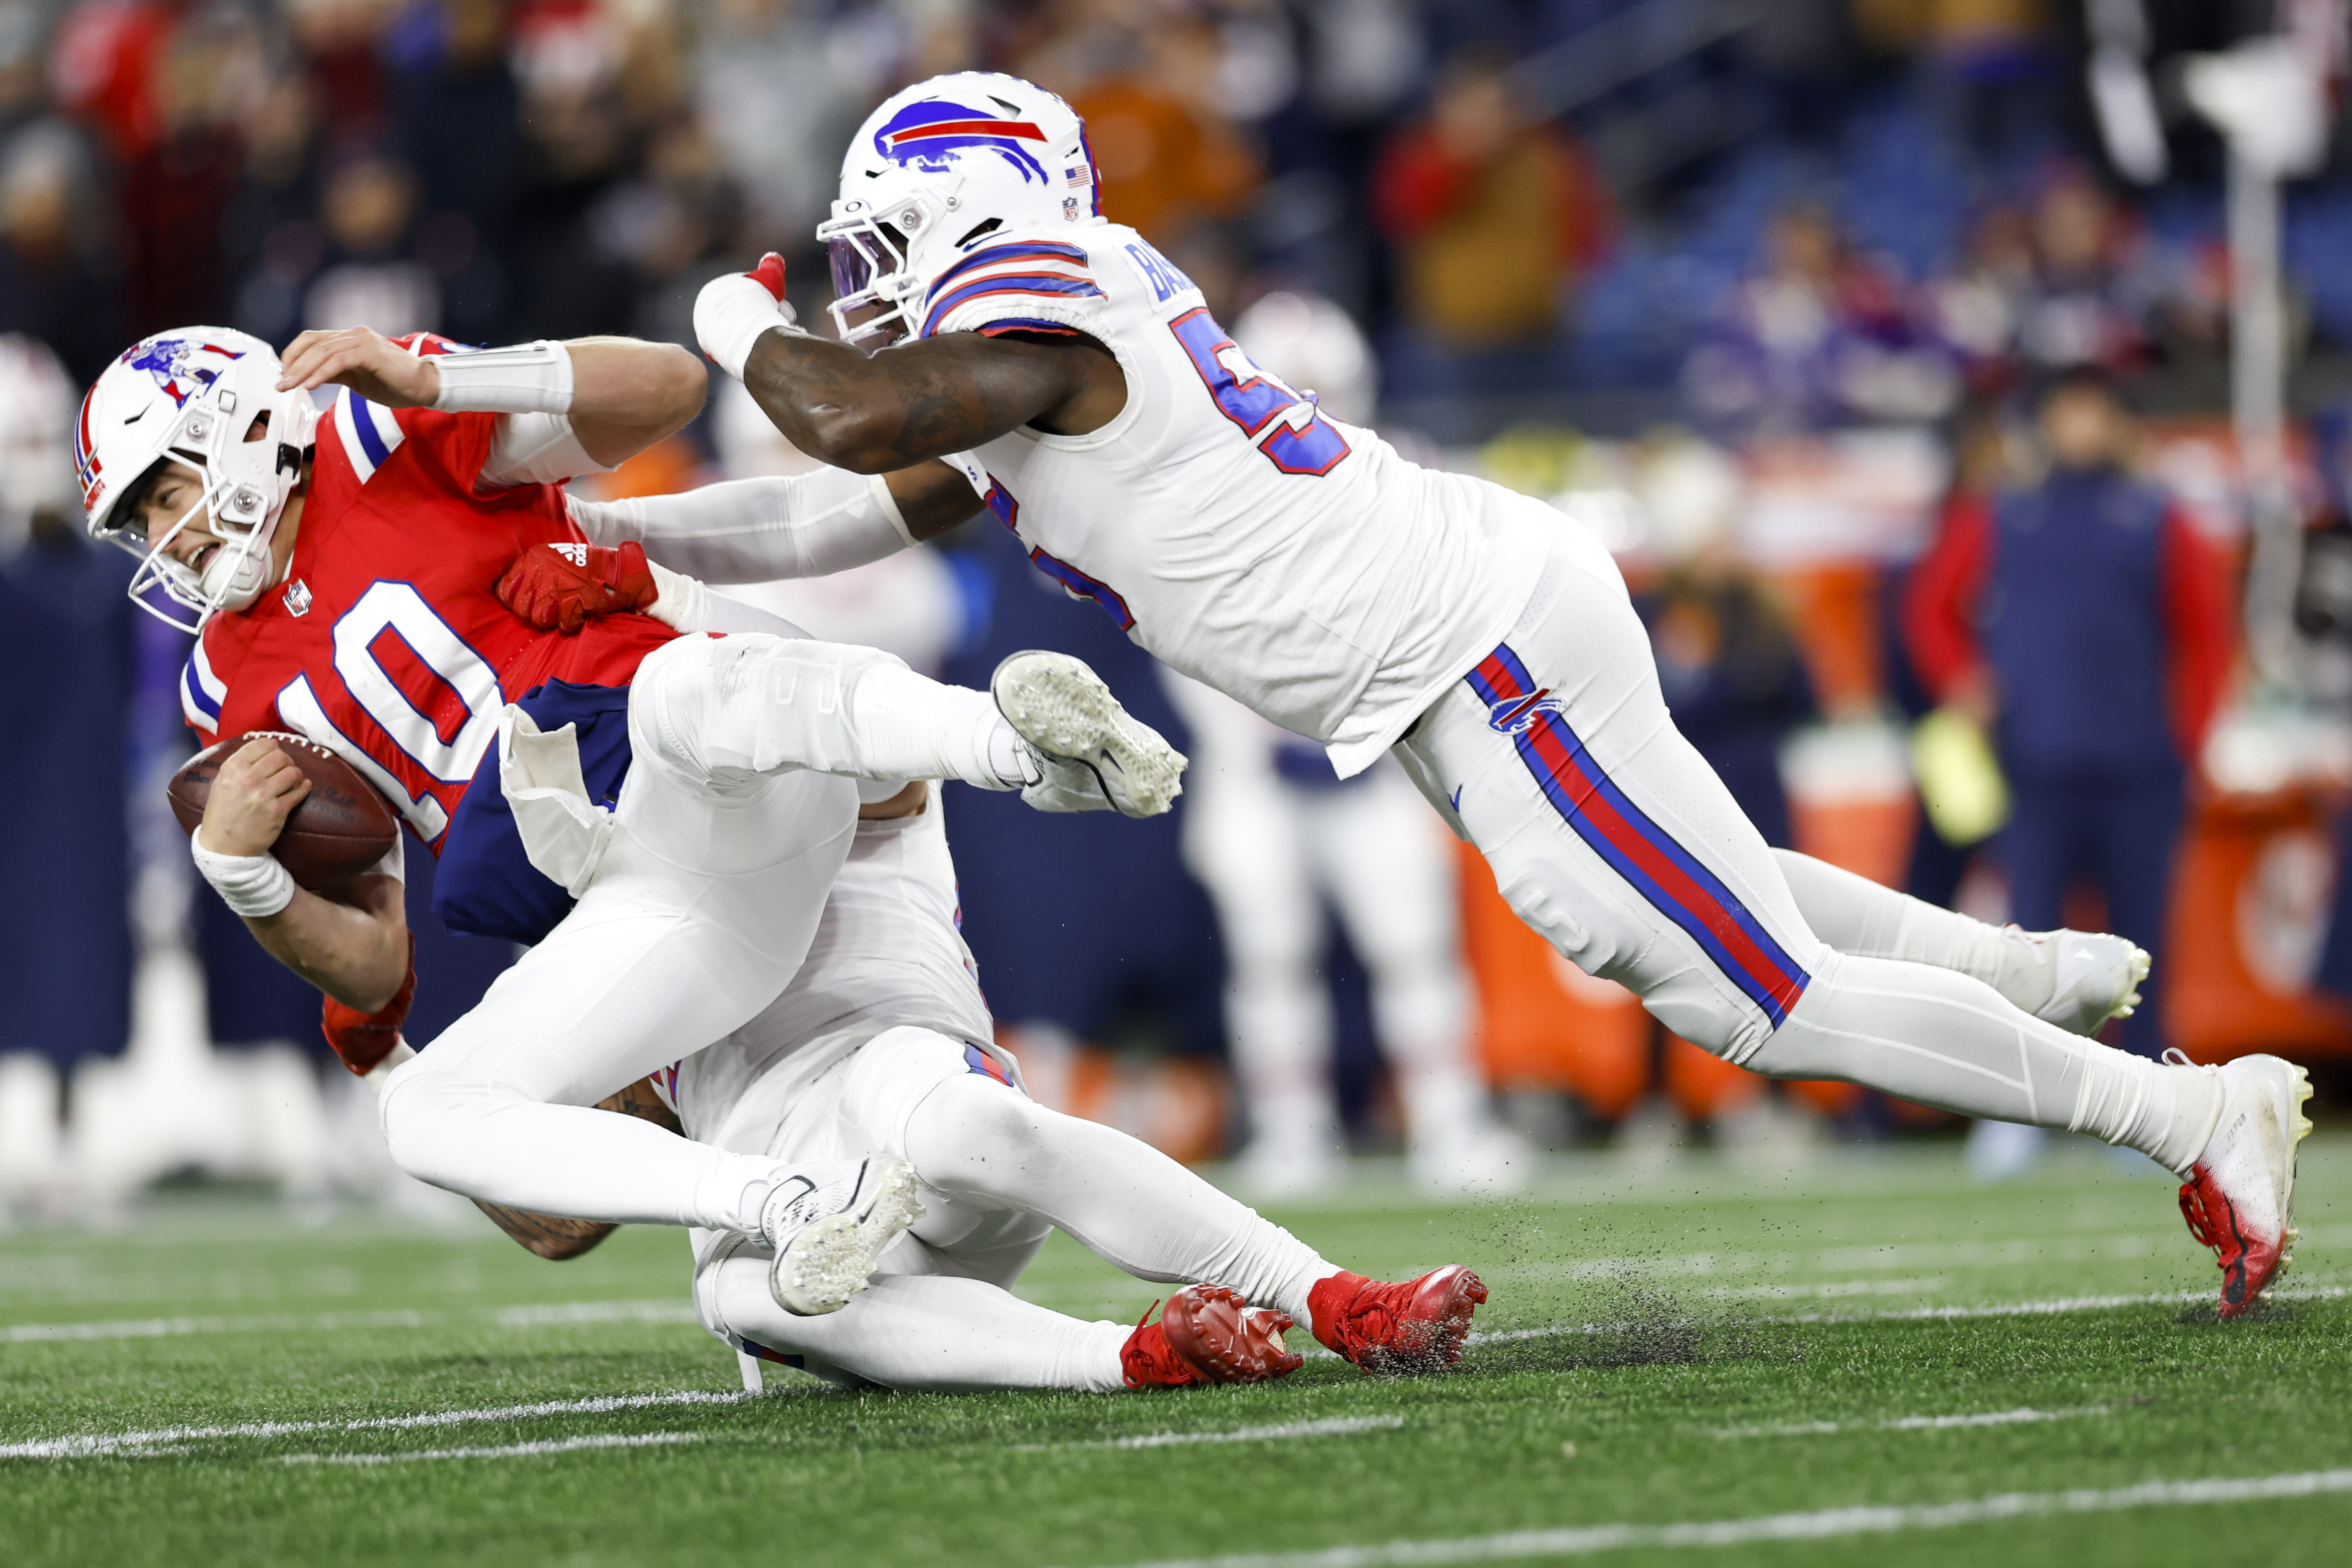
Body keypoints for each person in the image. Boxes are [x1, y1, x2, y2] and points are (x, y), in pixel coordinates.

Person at [626, 71, 2306, 1319]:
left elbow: (839, 422)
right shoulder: (1015, 365)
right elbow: (822, 506)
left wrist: (722, 312)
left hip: (1474, 644)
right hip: (1456, 642)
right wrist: (607, 535)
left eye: (885, 238)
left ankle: (2182, 1108)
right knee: (1702, 891)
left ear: (968, 205)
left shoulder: (1042, 308)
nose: (864, 281)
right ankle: (2012, 965)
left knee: (1743, 994)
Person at [77, 320, 1184, 1322]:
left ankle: (1030, 755)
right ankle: (1035, 1295)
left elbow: (722, 443)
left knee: (776, 728)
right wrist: (249, 883)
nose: (163, 537)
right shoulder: (219, 684)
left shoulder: (392, 434)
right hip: (599, 893)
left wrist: (437, 377)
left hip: (701, 757)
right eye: (140, 520)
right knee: (735, 1290)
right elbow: (372, 959)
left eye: (165, 493)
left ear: (241, 428)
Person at [1905, 368, 2234, 1067]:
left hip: (2138, 763)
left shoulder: (2153, 515)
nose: (2081, 428)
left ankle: (2147, 1090)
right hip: (2034, 761)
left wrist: (2187, 741)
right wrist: (1962, 679)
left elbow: (2205, 634)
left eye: (2095, 412)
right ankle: (2032, 1098)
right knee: (2032, 945)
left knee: (2141, 946)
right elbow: (1929, 609)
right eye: (2069, 413)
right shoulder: (2003, 511)